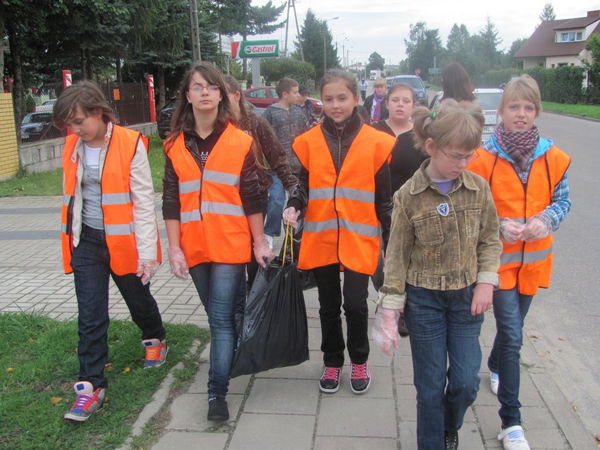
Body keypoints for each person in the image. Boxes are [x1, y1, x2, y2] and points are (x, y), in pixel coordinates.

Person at [374, 99, 502, 450]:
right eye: (455, 156)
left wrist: (486, 282)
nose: (463, 164)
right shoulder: (408, 196)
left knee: (464, 383)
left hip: (466, 300)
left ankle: (449, 423)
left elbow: (491, 238)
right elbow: (396, 254)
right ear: (431, 146)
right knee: (429, 387)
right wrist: (390, 308)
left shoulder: (478, 188)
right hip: (424, 301)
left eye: (469, 156)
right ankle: (431, 441)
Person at [162, 63, 273, 422]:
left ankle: (216, 393)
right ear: (188, 96)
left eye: (212, 87)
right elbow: (170, 201)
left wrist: (259, 242)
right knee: (221, 315)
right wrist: (174, 248)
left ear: (222, 95)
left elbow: (252, 197)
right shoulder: (174, 145)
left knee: (220, 321)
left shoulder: (240, 141)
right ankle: (237, 345)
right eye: (198, 87)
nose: (205, 92)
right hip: (194, 246)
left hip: (229, 243)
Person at [467, 75, 572, 450]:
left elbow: (562, 201)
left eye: (528, 107)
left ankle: (496, 364)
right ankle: (511, 423)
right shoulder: (483, 159)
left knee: (514, 329)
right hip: (496, 265)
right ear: (502, 111)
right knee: (512, 335)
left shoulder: (554, 157)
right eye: (514, 107)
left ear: (537, 112)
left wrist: (546, 219)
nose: (521, 114)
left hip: (534, 264)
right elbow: (472, 206)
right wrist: (499, 224)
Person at [54, 80, 167, 423]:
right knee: (90, 314)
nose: (75, 130)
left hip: (123, 242)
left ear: (98, 112)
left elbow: (143, 202)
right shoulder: (72, 145)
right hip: (86, 242)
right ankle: (91, 387)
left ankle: (155, 337)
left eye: (79, 121)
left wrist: (146, 254)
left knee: (138, 299)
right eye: (70, 124)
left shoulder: (130, 144)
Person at [283, 69, 395, 395]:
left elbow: (384, 199)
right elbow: (303, 184)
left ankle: (359, 359)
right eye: (328, 99)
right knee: (328, 306)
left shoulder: (376, 142)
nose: (335, 105)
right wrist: (294, 204)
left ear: (356, 98)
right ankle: (332, 361)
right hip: (322, 237)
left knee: (356, 304)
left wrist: (391, 242)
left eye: (342, 98)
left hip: (360, 238)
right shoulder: (309, 141)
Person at [372, 82, 427, 334]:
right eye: (395, 100)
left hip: (410, 209)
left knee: (406, 259)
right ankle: (386, 297)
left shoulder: (419, 136)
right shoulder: (373, 131)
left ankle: (402, 309)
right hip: (375, 208)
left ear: (413, 106)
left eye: (406, 101)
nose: (400, 105)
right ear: (387, 103)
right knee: (378, 263)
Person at [262, 77, 309, 249]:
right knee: (276, 200)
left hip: (297, 166)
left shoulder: (299, 112)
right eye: (295, 92)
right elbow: (263, 138)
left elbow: (306, 135)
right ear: (285, 94)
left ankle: (292, 236)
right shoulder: (271, 113)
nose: (298, 95)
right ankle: (270, 233)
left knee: (296, 204)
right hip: (276, 167)